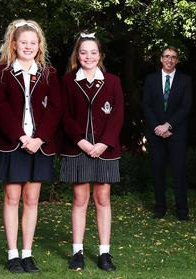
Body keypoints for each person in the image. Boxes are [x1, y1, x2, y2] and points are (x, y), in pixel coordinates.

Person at [0, 19, 61, 273]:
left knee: (32, 200)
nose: (28, 47)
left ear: (39, 45)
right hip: (13, 144)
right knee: (12, 198)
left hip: (39, 145)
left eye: (33, 42)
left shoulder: (49, 73)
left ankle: (27, 254)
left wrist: (39, 138)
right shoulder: (2, 72)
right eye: (23, 42)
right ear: (14, 44)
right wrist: (21, 137)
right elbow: (0, 108)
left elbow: (55, 108)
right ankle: (12, 254)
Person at [60, 32, 123, 272]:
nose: (88, 56)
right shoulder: (67, 81)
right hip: (78, 149)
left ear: (100, 55)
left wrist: (104, 143)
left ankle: (104, 253)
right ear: (77, 55)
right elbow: (64, 116)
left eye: (93, 52)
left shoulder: (113, 81)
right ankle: (78, 252)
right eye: (83, 52)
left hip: (105, 149)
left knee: (103, 199)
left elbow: (117, 117)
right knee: (80, 199)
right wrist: (82, 142)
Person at [142, 47, 193, 221]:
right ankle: (160, 207)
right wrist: (158, 127)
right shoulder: (151, 79)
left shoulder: (185, 80)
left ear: (177, 60)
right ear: (161, 59)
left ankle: (182, 210)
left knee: (179, 172)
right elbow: (146, 106)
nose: (170, 60)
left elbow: (186, 107)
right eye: (166, 56)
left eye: (173, 57)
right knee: (158, 171)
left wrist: (168, 125)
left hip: (177, 133)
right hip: (156, 133)